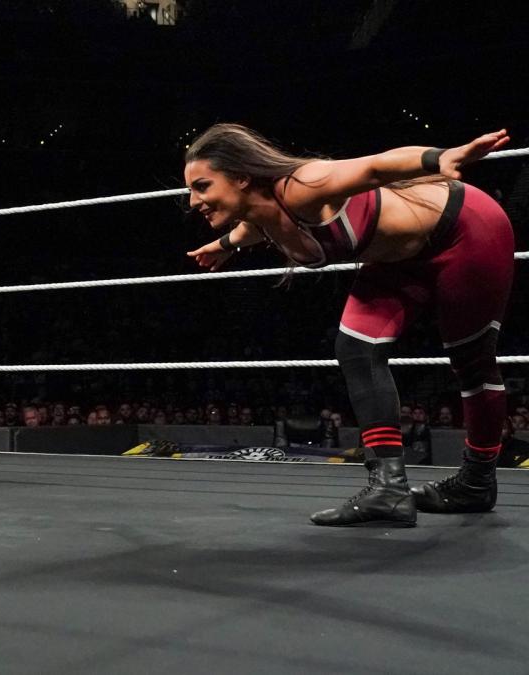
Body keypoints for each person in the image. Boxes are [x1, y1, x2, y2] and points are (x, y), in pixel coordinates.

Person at [185, 124, 514, 527]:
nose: (193, 201)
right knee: (356, 348)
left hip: (464, 230)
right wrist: (224, 246)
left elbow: (375, 167)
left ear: (240, 178)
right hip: (399, 260)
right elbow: (251, 227)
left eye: (202, 186)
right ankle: (389, 490)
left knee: (472, 362)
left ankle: (477, 481)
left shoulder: (302, 185)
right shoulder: (260, 211)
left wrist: (439, 157)